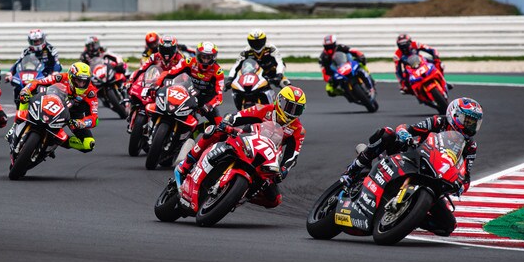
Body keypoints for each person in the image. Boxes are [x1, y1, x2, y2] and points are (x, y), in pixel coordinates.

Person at [340, 97, 483, 236]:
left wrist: (461, 186)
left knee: (447, 226)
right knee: (387, 134)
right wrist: (405, 134)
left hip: (435, 177)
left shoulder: (470, 146)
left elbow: (466, 175)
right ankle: (352, 171)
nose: (470, 126)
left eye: (474, 123)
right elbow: (408, 128)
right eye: (467, 121)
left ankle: (410, 215)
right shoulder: (438, 122)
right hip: (413, 156)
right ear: (454, 115)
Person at [174, 86, 307, 208]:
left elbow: (292, 156)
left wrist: (283, 171)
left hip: (266, 156)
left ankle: (240, 195)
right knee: (216, 130)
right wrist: (228, 121)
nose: (291, 112)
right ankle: (185, 164)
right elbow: (239, 116)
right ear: (279, 101)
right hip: (247, 141)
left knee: (275, 199)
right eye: (289, 107)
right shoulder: (264, 109)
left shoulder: (298, 130)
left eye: (297, 109)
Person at [7, 62, 98, 153]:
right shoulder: (61, 77)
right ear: (71, 77)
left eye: (84, 82)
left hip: (73, 117)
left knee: (88, 144)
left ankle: (57, 141)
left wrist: (82, 123)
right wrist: (26, 90)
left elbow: (94, 118)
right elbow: (38, 82)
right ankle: (16, 124)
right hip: (53, 104)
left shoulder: (91, 93)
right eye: (78, 80)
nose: (81, 84)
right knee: (25, 96)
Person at [225, 29, 290, 90]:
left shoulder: (271, 48)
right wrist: (230, 79)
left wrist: (279, 75)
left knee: (286, 85)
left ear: (264, 40)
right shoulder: (246, 51)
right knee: (238, 87)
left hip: (272, 73)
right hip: (255, 76)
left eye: (259, 42)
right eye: (254, 42)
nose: (257, 44)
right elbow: (236, 66)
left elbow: (280, 62)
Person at [187, 41, 224, 123]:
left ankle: (202, 128)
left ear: (213, 57)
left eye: (209, 57)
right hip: (187, 95)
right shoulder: (189, 62)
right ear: (198, 55)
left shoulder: (218, 71)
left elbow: (219, 96)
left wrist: (209, 105)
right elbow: (172, 72)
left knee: (219, 124)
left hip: (206, 100)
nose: (205, 60)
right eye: (203, 57)